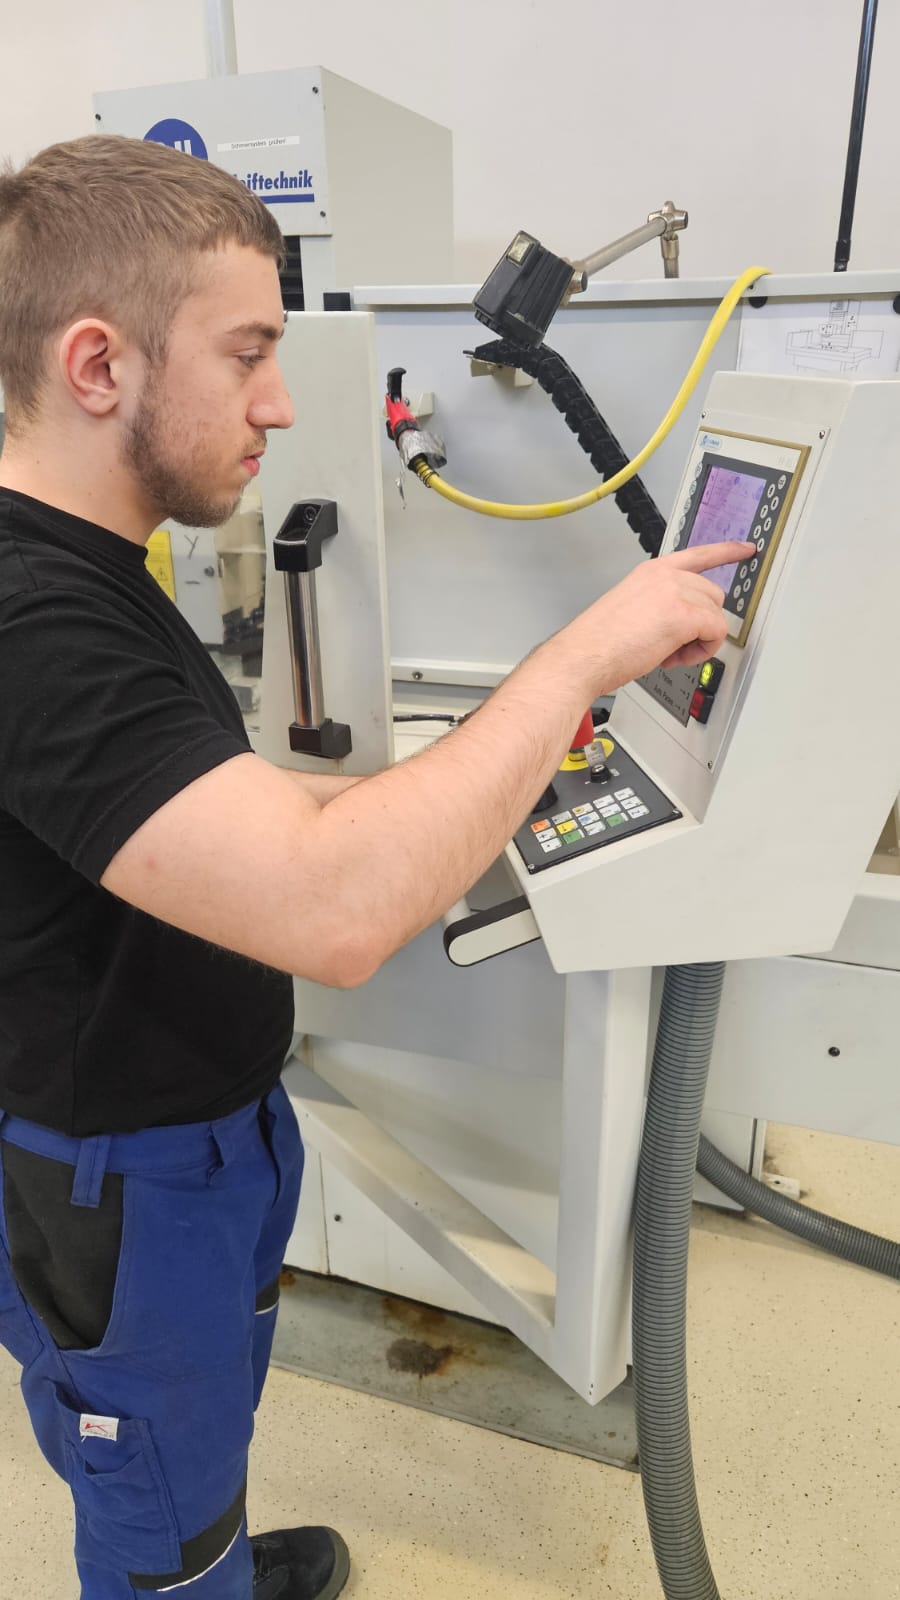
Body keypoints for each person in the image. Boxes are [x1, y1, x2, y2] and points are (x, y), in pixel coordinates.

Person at [0, 134, 753, 1600]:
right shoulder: (33, 619)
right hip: (124, 1181)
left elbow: (188, 809)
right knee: (150, 1500)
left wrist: (426, 788)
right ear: (98, 366)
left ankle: (215, 1549)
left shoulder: (94, 563)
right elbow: (333, 911)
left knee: (200, 1430)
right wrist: (580, 660)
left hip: (207, 1130)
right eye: (248, 354)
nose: (280, 402)